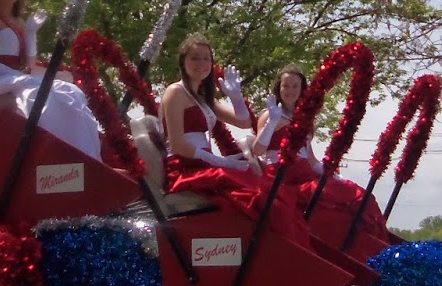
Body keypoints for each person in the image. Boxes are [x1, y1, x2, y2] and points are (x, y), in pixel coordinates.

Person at [159, 33, 310, 244]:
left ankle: (286, 246)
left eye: (206, 59)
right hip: (185, 167)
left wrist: (236, 97)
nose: (201, 64)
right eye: (194, 58)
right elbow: (177, 144)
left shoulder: (202, 97)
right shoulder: (175, 92)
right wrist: (222, 162)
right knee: (257, 195)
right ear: (183, 61)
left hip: (203, 164)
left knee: (269, 193)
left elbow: (243, 122)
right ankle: (270, 247)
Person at [0, 0, 102, 160]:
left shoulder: (19, 22)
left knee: (70, 91)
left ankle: (83, 154)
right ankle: (52, 154)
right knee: (36, 96)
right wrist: (11, 74)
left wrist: (31, 33)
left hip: (16, 77)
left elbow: (28, 63)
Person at [255, 63, 391, 246]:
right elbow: (258, 150)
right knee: (334, 198)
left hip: (305, 175)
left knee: (358, 194)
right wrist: (271, 122)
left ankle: (370, 245)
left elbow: (310, 158)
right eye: (286, 85)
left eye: (295, 86)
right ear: (278, 88)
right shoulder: (271, 114)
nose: (290, 90)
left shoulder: (304, 118)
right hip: (285, 179)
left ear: (302, 89)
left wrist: (331, 173)